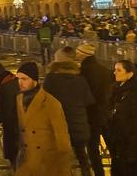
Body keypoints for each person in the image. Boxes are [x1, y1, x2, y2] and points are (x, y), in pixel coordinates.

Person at [42, 47, 95, 176]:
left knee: (60, 160)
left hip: (58, 126)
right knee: (82, 156)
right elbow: (89, 100)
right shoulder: (80, 79)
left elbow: (44, 101)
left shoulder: (51, 79)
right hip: (78, 125)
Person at [14, 62, 72, 176]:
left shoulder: (51, 103)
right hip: (27, 161)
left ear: (34, 80)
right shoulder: (19, 99)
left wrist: (64, 169)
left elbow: (62, 139)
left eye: (24, 79)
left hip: (46, 162)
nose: (20, 82)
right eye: (18, 78)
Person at [107, 59, 137, 176]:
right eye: (114, 69)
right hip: (118, 143)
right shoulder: (116, 90)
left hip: (130, 146)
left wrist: (133, 152)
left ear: (130, 74)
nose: (114, 72)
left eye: (119, 70)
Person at [75, 42, 112, 176]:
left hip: (90, 115)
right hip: (105, 113)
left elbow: (84, 95)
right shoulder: (104, 70)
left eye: (78, 52)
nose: (76, 54)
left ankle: (98, 173)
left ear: (83, 54)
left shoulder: (83, 72)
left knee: (93, 149)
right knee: (112, 147)